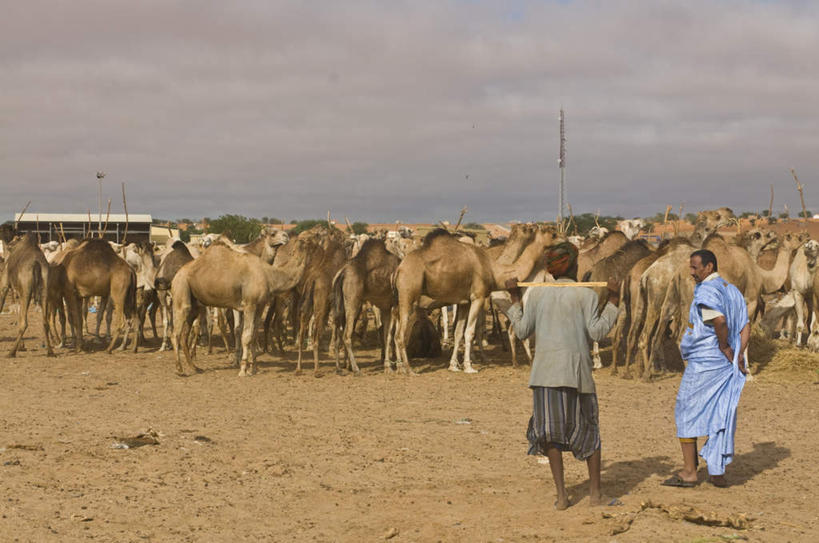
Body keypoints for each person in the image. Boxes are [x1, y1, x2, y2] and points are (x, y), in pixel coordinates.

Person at [504, 241, 620, 510]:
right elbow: (597, 333)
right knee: (589, 432)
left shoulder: (535, 295)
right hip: (577, 375)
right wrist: (613, 301)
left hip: (544, 375)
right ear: (574, 265)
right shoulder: (587, 295)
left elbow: (521, 330)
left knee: (550, 435)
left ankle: (562, 497)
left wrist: (514, 298)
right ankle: (595, 495)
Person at [662, 249, 750, 488]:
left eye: (695, 267)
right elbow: (745, 326)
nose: (691, 272)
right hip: (724, 364)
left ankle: (690, 471)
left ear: (709, 267)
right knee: (719, 412)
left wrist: (723, 346)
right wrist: (737, 354)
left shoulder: (708, 291)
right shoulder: (731, 290)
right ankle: (716, 472)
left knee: (685, 410)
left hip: (706, 362)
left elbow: (719, 320)